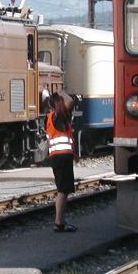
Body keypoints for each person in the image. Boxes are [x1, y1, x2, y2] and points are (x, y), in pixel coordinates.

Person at [46, 91, 79, 232]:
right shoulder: (58, 116)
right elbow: (70, 102)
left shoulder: (53, 117)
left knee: (63, 190)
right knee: (63, 190)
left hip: (58, 157)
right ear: (58, 103)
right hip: (61, 158)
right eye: (61, 101)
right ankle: (59, 223)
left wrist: (74, 153)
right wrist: (61, 91)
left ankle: (60, 221)